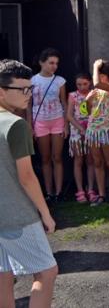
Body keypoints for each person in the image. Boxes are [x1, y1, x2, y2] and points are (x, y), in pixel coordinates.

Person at [0, 59, 58, 308]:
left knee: (3, 275)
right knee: (47, 272)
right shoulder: (16, 125)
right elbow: (26, 177)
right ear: (1, 91)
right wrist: (46, 214)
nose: (28, 94)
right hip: (17, 216)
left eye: (30, 88)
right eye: (21, 89)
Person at [28, 48, 68, 202]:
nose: (54, 66)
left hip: (57, 120)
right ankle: (49, 192)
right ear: (41, 63)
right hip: (40, 122)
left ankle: (59, 192)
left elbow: (64, 103)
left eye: (56, 63)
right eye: (51, 63)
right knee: (45, 158)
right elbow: (28, 105)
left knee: (57, 157)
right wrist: (30, 126)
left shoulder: (60, 81)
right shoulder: (32, 81)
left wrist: (66, 125)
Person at [86, 59, 109, 207]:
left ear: (107, 75)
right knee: (97, 162)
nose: (98, 77)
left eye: (101, 75)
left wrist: (95, 66)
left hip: (106, 130)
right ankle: (101, 194)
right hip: (93, 131)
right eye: (98, 75)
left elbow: (97, 84)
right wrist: (87, 101)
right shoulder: (96, 90)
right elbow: (86, 112)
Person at [66, 73, 96, 203]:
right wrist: (80, 128)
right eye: (79, 84)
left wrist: (90, 127)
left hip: (91, 130)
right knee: (78, 161)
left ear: (90, 82)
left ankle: (91, 189)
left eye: (85, 84)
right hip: (77, 131)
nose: (82, 87)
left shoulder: (94, 94)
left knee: (90, 161)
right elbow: (69, 115)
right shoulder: (73, 96)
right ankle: (80, 190)